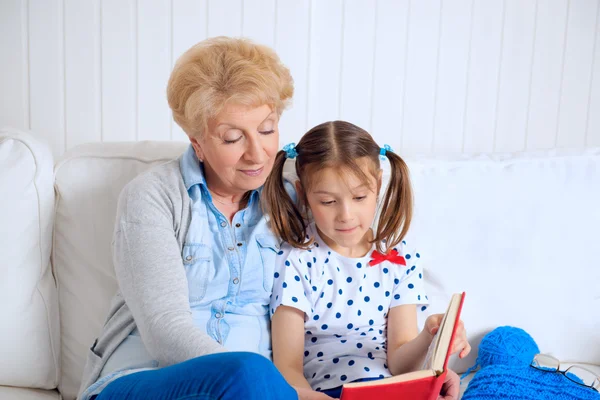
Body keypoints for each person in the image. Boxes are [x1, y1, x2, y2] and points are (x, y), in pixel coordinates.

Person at [78, 36, 299, 400]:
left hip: (256, 390)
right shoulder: (153, 196)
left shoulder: (290, 200)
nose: (257, 154)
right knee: (249, 370)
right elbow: (166, 331)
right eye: (232, 138)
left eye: (266, 129)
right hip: (147, 378)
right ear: (197, 142)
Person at [262, 120, 471, 399]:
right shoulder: (296, 261)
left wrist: (431, 336)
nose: (346, 215)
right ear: (304, 195)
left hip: (389, 390)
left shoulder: (399, 257)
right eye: (327, 202)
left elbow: (400, 363)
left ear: (378, 185)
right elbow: (287, 369)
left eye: (359, 197)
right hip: (326, 393)